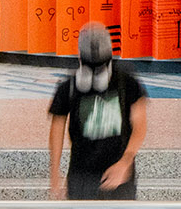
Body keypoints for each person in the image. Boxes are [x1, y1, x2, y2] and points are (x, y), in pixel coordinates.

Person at [48, 23, 147, 200]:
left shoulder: (127, 83)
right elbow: (57, 129)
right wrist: (55, 172)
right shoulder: (69, 87)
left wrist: (125, 162)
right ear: (80, 58)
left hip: (120, 176)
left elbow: (140, 126)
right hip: (81, 177)